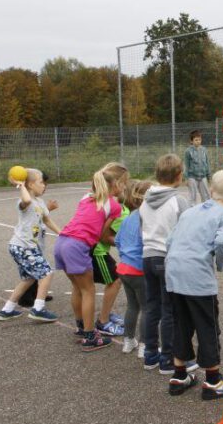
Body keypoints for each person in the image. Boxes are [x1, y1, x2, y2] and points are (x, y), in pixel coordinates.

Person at [164, 169, 223, 399]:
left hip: (174, 274)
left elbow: (170, 240)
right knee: (207, 327)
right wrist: (219, 264)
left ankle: (179, 376)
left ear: (212, 190)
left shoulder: (190, 211)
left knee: (182, 325)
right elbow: (221, 242)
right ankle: (213, 382)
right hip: (198, 278)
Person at [54, 162, 129, 351]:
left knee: (77, 288)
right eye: (124, 183)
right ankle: (90, 335)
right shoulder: (114, 206)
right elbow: (101, 233)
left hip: (62, 241)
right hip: (78, 245)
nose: (125, 187)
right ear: (116, 184)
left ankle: (81, 327)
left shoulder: (86, 197)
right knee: (88, 291)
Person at [142, 154, 194, 375]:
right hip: (167, 257)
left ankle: (150, 354)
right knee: (169, 310)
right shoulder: (178, 201)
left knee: (151, 307)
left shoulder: (145, 199)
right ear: (179, 175)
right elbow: (187, 231)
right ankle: (168, 358)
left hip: (147, 256)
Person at [0, 169, 61, 322]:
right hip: (23, 246)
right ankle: (38, 309)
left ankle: (7, 310)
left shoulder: (40, 202)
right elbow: (26, 200)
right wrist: (21, 185)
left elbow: (47, 220)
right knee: (46, 273)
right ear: (31, 185)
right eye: (41, 182)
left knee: (28, 279)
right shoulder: (23, 202)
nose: (44, 185)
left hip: (24, 247)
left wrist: (62, 233)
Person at [114, 180, 152, 356]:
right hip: (139, 269)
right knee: (146, 308)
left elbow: (118, 241)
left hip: (124, 268)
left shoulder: (128, 218)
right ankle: (145, 345)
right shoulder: (146, 219)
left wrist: (125, 256)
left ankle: (128, 341)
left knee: (132, 306)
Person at [92, 186, 131, 338]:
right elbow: (104, 236)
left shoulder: (123, 210)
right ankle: (103, 321)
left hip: (96, 249)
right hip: (97, 251)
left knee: (113, 281)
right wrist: (125, 244)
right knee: (115, 281)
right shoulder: (124, 213)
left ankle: (107, 314)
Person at [184, 130, 212, 204]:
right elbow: (186, 165)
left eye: (199, 139)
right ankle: (191, 211)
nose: (198, 141)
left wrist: (209, 176)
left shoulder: (204, 150)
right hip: (192, 177)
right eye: (196, 140)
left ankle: (206, 211)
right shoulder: (188, 151)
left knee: (206, 196)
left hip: (203, 176)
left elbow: (207, 163)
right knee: (192, 196)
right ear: (191, 141)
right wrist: (186, 178)